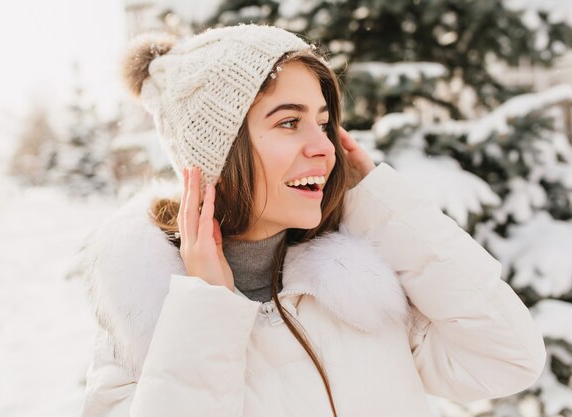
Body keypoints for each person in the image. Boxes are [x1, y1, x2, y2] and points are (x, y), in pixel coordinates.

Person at [79, 24, 546, 417]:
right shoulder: (143, 322)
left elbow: (510, 359)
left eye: (323, 122)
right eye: (289, 122)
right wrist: (206, 309)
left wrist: (383, 204)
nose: (323, 146)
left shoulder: (364, 288)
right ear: (215, 155)